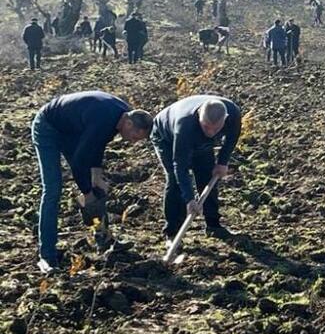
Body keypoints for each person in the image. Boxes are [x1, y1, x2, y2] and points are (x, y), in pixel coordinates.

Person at [32, 91, 152, 272]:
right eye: (135, 137)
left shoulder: (121, 116)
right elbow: (79, 163)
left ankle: (103, 238)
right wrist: (87, 194)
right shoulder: (103, 119)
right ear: (128, 123)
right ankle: (47, 256)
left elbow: (98, 144)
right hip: (48, 127)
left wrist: (96, 176)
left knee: (97, 188)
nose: (134, 142)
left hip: (71, 129)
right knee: (53, 189)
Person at [151, 96, 241, 243]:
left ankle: (214, 225)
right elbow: (180, 167)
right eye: (206, 127)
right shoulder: (184, 125)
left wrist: (222, 162)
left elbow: (232, 137)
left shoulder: (233, 113)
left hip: (199, 140)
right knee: (175, 181)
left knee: (207, 175)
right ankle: (172, 231)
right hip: (166, 138)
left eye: (216, 128)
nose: (211, 132)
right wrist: (190, 199)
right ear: (199, 115)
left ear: (225, 119)